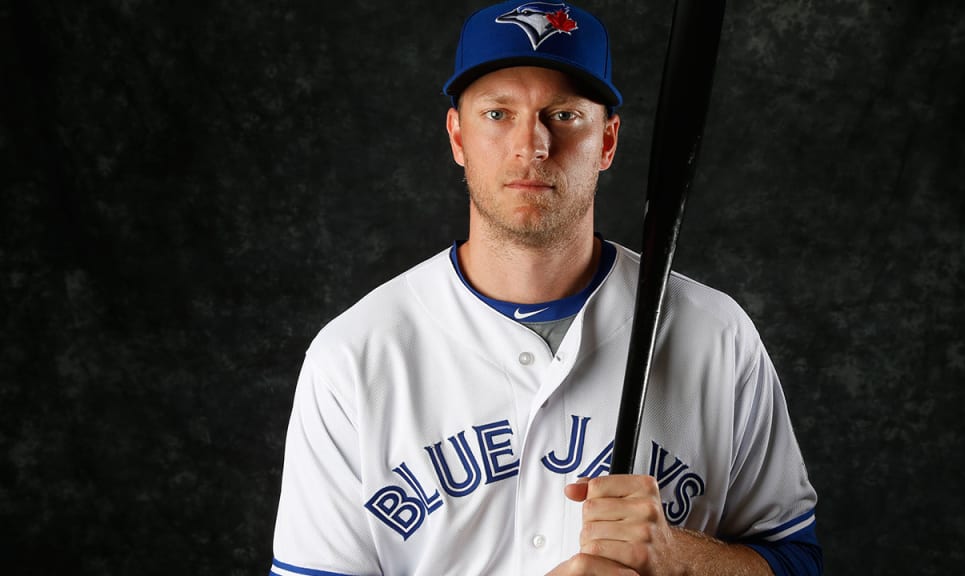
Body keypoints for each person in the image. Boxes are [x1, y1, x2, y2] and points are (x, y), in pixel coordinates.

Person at [269, 1, 821, 575]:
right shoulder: (354, 356)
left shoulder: (715, 332)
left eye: (562, 115)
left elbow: (796, 560)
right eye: (497, 114)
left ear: (607, 142)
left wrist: (679, 557)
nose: (531, 145)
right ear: (457, 136)